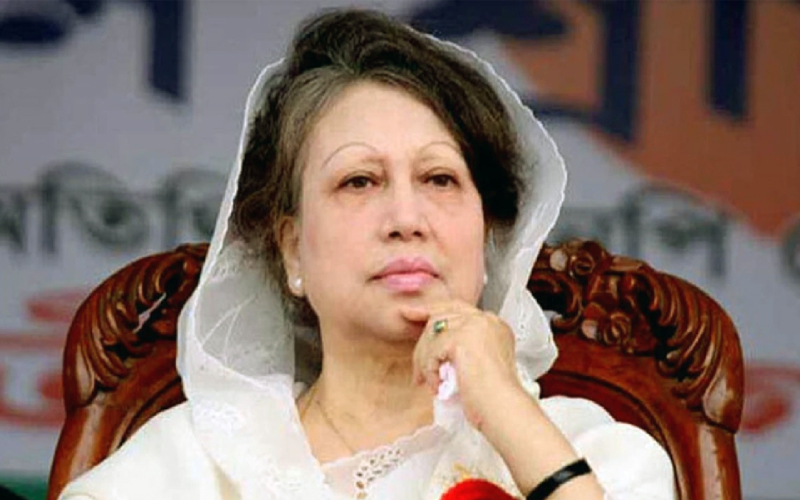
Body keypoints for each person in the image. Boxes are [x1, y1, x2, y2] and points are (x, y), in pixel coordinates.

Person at [59, 9, 675, 500]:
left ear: (487, 238)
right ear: (291, 248)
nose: (406, 219)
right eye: (359, 181)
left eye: (439, 179)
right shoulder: (193, 465)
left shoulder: (593, 449)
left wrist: (508, 413)